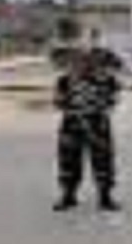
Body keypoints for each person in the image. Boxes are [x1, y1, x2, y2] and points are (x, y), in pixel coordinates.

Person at [53, 47, 123, 212]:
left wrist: (98, 107)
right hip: (71, 125)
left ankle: (105, 196)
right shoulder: (64, 80)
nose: (84, 64)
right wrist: (72, 108)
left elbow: (114, 99)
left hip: (98, 125)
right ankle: (68, 195)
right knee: (68, 161)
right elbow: (57, 102)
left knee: (103, 161)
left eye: (88, 61)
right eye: (79, 61)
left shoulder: (107, 79)